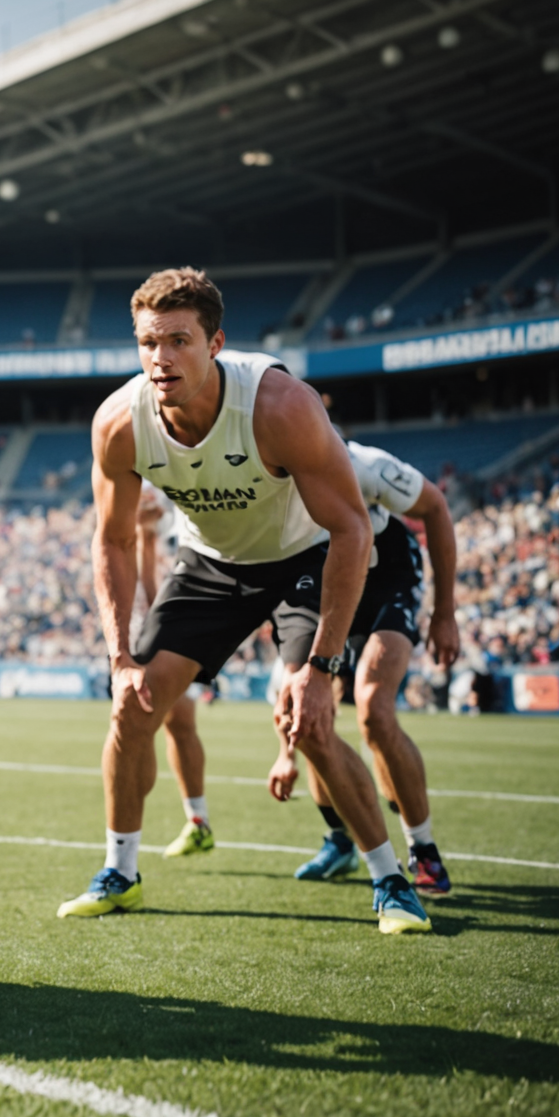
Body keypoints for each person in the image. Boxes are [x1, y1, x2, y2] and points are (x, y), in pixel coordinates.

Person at [62, 267, 430, 935]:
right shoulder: (119, 423)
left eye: (179, 341)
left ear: (215, 344)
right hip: (211, 563)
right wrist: (119, 656)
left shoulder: (279, 406)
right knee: (132, 707)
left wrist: (322, 669)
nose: (161, 358)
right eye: (148, 342)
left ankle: (392, 881)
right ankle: (120, 872)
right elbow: (113, 539)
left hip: (303, 557)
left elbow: (351, 529)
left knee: (309, 723)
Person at [263, 441, 460, 895]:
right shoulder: (264, 480)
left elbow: (435, 507)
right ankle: (339, 839)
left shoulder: (365, 465)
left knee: (373, 708)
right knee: (311, 713)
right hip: (321, 583)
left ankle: (424, 849)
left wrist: (445, 612)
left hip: (386, 575)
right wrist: (285, 754)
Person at [134, 486, 214, 859]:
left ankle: (196, 821)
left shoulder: (177, 526)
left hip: (161, 630)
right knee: (161, 726)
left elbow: (154, 598)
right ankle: (194, 821)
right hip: (141, 631)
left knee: (169, 723)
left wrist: (146, 536)